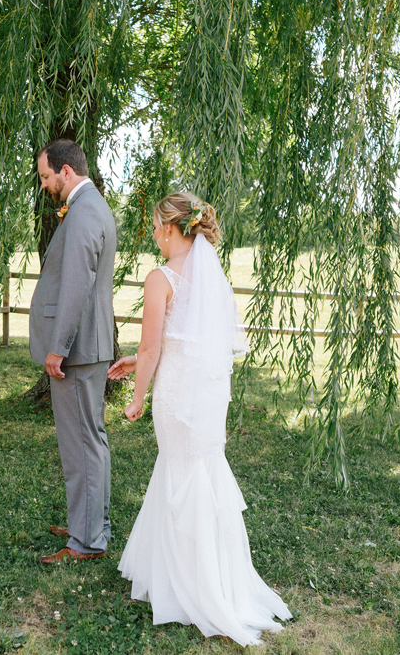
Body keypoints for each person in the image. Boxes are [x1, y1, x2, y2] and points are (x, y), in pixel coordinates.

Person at [107, 192, 291, 646]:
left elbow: (154, 347)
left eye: (154, 225)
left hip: (176, 395)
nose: (152, 233)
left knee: (178, 473)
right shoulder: (214, 277)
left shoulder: (159, 278)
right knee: (201, 474)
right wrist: (137, 360)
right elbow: (187, 340)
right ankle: (214, 578)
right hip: (206, 398)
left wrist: (138, 396)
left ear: (171, 228)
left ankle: (185, 585)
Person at [29, 139, 117, 564]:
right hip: (88, 345)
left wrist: (57, 348)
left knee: (81, 443)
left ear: (66, 172)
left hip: (77, 349)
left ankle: (85, 541)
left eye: (46, 176)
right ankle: (90, 525)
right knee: (90, 440)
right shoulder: (92, 206)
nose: (45, 186)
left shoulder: (83, 210)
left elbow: (76, 285)